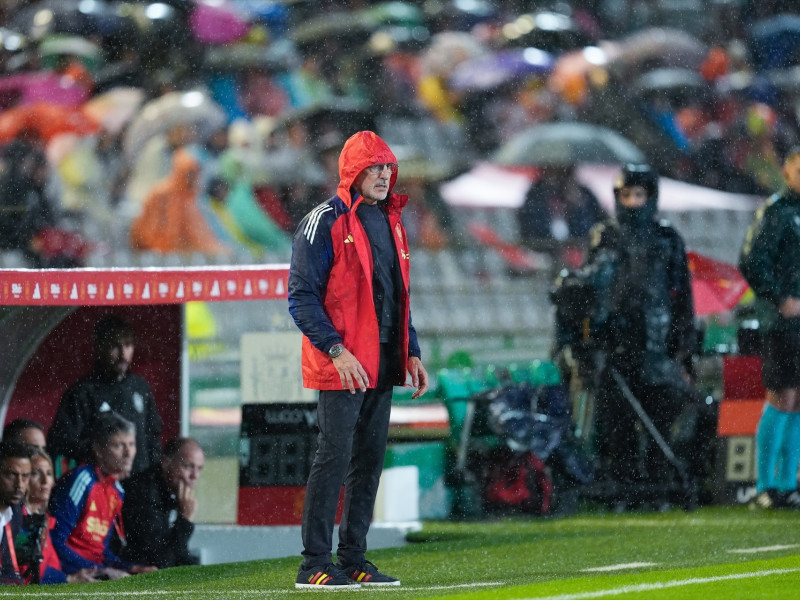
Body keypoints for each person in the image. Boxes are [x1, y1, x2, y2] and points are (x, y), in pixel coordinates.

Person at [288, 130, 428, 589]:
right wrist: (335, 350)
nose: (385, 175)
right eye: (375, 167)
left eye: (389, 166)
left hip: (382, 361)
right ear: (353, 171)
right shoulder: (321, 221)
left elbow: (397, 295)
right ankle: (313, 564)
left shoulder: (392, 222)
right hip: (343, 363)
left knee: (367, 462)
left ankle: (353, 559)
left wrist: (411, 350)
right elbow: (302, 298)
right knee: (333, 458)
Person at [552, 164, 701, 504]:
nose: (633, 203)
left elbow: (683, 297)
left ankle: (659, 486)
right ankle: (625, 488)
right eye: (626, 196)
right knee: (617, 425)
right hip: (616, 345)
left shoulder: (667, 237)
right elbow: (590, 286)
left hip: (657, 344)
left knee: (660, 420)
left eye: (639, 195)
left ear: (651, 198)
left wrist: (684, 344)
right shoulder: (606, 235)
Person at [739, 145, 800, 509]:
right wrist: (781, 300)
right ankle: (764, 484)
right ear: (788, 171)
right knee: (781, 395)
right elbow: (750, 261)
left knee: (798, 400)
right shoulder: (775, 213)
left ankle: (788, 481)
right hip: (781, 322)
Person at [47, 315, 163, 476]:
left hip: (140, 485)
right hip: (101, 486)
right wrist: (102, 453)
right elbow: (61, 442)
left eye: (128, 345)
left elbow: (153, 436)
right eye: (115, 347)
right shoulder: (82, 392)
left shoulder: (140, 386)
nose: (123, 354)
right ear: (100, 347)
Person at [49, 412, 156, 578]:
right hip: (69, 575)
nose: (128, 453)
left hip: (92, 572)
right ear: (98, 449)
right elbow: (54, 541)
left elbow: (100, 551)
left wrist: (130, 568)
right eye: (119, 445)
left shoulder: (117, 491)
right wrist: (100, 571)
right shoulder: (82, 480)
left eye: (132, 444)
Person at [118, 438, 204, 568]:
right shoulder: (144, 493)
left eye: (199, 468)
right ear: (165, 463)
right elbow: (161, 563)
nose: (195, 476)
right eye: (188, 466)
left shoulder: (168, 492)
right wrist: (185, 520)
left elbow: (179, 555)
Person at [21, 449, 98, 584]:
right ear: (24, 478)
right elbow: (25, 573)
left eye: (49, 473)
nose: (45, 481)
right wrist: (67, 579)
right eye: (36, 473)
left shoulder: (42, 518)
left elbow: (49, 566)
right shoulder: (21, 519)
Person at [518, 165, 607, 247]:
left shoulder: (583, 193)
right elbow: (533, 232)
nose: (557, 176)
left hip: (580, 250)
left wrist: (577, 206)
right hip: (543, 252)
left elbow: (588, 231)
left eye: (562, 170)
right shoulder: (535, 194)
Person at [0, 442, 31, 585]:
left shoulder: (16, 512)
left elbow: (7, 567)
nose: (19, 485)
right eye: (11, 475)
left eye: (25, 476)